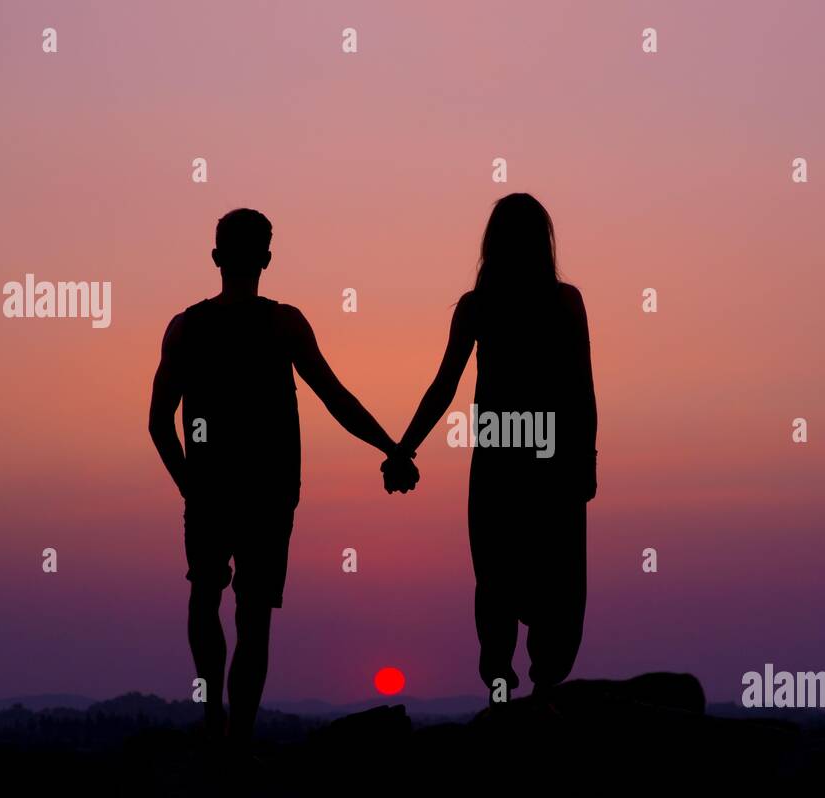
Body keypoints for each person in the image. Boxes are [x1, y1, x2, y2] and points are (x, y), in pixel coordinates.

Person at [148, 208, 417, 743]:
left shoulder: (186, 329)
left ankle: (215, 725)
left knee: (206, 596)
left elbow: (158, 423)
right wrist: (393, 448)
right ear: (266, 259)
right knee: (252, 615)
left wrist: (189, 484)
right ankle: (237, 737)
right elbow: (336, 398)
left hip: (217, 492)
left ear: (217, 258)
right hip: (268, 496)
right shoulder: (282, 323)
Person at [394, 193, 597, 699]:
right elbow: (582, 390)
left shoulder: (482, 306)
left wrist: (404, 449)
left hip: (503, 464)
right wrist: (586, 461)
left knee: (499, 582)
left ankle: (504, 690)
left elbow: (443, 387)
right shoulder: (557, 302)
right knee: (554, 581)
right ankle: (539, 691)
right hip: (549, 463)